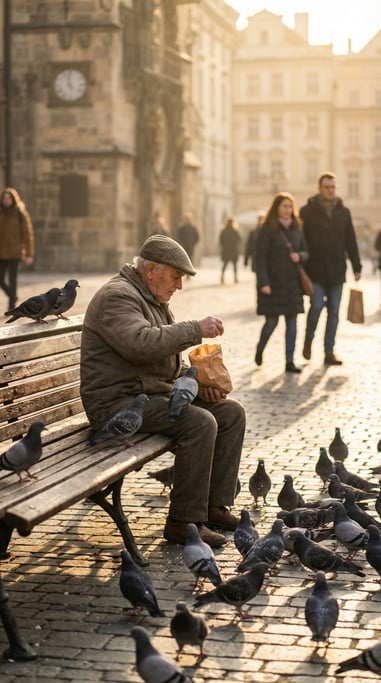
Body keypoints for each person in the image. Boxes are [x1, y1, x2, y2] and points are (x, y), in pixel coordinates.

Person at [80, 234, 245, 548]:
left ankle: (213, 507)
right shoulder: (118, 296)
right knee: (199, 422)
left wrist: (197, 384)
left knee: (230, 413)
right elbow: (141, 344)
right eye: (175, 277)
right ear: (151, 270)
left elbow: (164, 362)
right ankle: (184, 523)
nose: (178, 286)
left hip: (146, 394)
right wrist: (195, 329)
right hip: (116, 404)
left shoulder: (152, 298)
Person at [300, 172, 362, 365]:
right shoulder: (307, 211)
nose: (330, 190)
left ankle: (329, 351)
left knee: (334, 312)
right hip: (315, 270)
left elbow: (351, 240)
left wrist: (356, 266)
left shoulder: (343, 212)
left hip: (336, 269)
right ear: (319, 188)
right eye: (327, 187)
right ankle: (309, 339)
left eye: (333, 187)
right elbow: (300, 241)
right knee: (317, 305)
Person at [255, 192, 309, 373]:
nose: (287, 210)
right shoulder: (268, 229)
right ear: (277, 208)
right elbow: (260, 258)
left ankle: (289, 361)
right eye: (284, 206)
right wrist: (264, 282)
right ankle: (260, 347)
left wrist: (299, 256)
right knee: (271, 322)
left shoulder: (297, 228)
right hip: (273, 283)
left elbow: (306, 252)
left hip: (292, 284)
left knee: (292, 324)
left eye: (289, 206)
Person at [0, 187, 34, 312]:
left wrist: (29, 254)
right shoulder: (1, 213)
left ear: (13, 199)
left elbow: (28, 235)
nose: (6, 200)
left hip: (15, 253)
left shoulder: (20, 213)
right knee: (0, 278)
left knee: (12, 279)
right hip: (1, 253)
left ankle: (11, 306)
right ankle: (12, 296)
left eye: (9, 198)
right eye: (4, 198)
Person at [219, 217, 241, 284]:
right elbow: (239, 240)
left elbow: (220, 241)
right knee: (234, 265)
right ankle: (235, 278)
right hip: (233, 250)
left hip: (226, 250)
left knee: (225, 264)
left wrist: (225, 245)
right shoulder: (235, 231)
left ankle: (222, 276)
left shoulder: (224, 231)